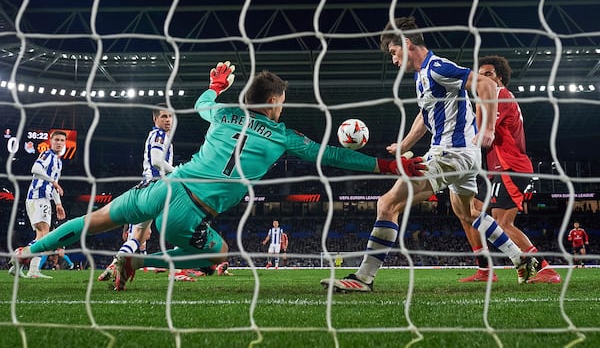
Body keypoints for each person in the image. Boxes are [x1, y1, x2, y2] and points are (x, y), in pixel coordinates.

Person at [13, 61, 425, 291]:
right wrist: (390, 165)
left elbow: (203, 102)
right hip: (188, 211)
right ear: (273, 101)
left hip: (162, 187)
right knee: (219, 252)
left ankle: (28, 252)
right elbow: (332, 156)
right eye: (281, 101)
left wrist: (215, 85)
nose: (282, 107)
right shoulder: (283, 136)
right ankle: (137, 259)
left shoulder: (223, 112)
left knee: (95, 221)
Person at [321, 16, 538, 293]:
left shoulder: (437, 67)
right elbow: (425, 117)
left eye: (394, 52)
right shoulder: (422, 76)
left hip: (453, 154)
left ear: (406, 43)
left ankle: (363, 277)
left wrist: (486, 128)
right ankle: (521, 260)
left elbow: (486, 85)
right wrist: (404, 144)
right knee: (468, 212)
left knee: (387, 203)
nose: (394, 59)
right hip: (461, 156)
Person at [458, 55, 561, 284]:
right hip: (498, 168)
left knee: (503, 223)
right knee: (469, 209)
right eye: (480, 75)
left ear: (500, 77)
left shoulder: (500, 96)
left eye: (488, 74)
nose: (482, 79)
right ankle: (485, 269)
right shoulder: (493, 97)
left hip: (511, 167)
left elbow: (483, 133)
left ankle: (546, 269)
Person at [98, 104, 176, 282]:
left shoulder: (156, 135)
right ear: (155, 119)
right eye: (164, 117)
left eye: (170, 117)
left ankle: (114, 265)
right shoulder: (159, 135)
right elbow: (157, 161)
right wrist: (178, 172)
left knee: (139, 236)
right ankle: (176, 270)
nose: (168, 120)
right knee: (182, 221)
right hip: (157, 189)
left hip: (147, 188)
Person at [9, 130, 68, 279]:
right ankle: (20, 258)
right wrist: (53, 181)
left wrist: (58, 204)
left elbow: (54, 186)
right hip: (37, 196)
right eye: (57, 140)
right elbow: (35, 169)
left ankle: (25, 267)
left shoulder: (58, 162)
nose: (59, 143)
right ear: (51, 141)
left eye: (62, 140)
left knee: (42, 236)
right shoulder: (47, 155)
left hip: (45, 198)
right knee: (44, 235)